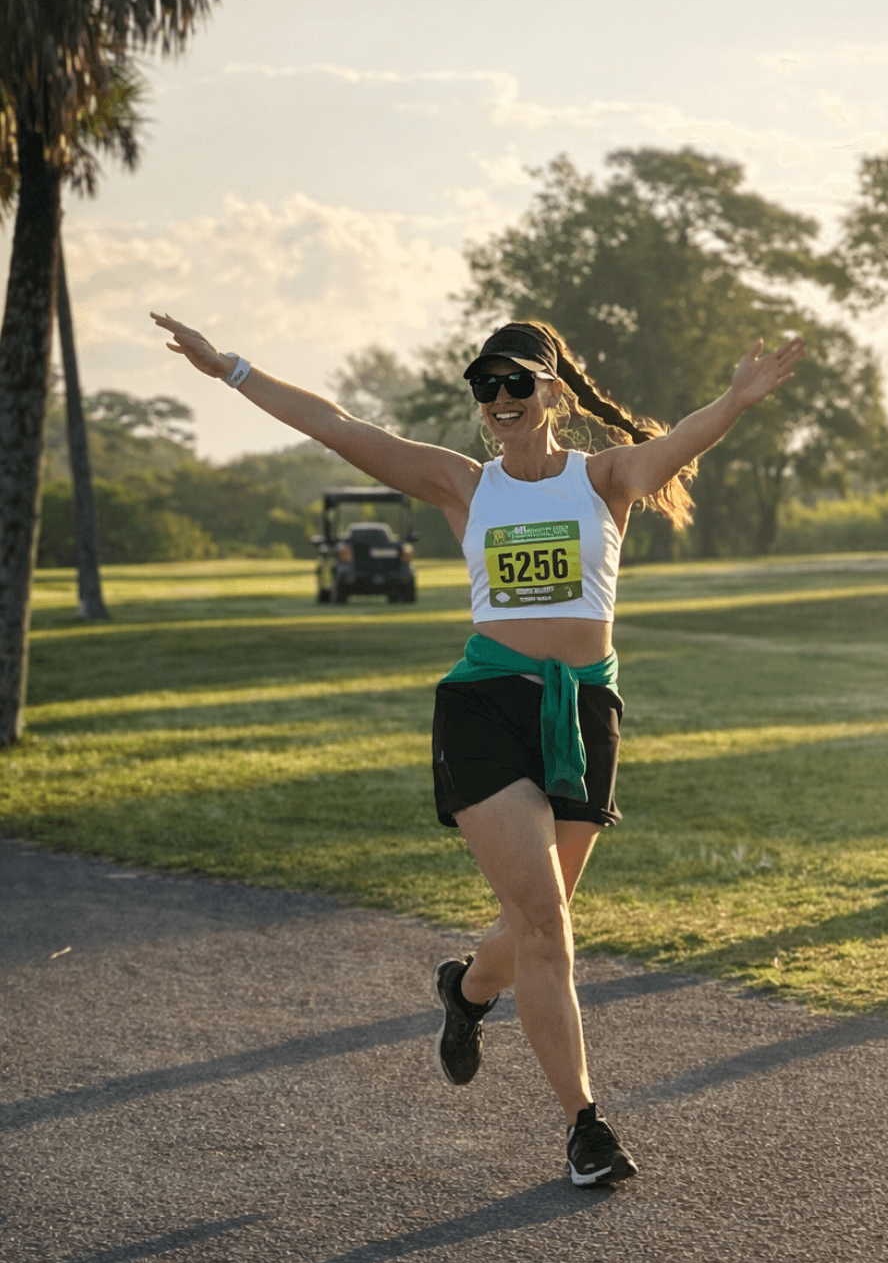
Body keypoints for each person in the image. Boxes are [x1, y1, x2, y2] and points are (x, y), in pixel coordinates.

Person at [151, 310, 805, 1187]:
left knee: (536, 920)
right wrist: (228, 368)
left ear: (554, 395)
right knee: (544, 921)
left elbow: (680, 442)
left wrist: (734, 398)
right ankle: (585, 1127)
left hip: (582, 714)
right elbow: (338, 424)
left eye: (515, 383)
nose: (498, 399)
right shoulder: (465, 486)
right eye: (484, 385)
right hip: (486, 711)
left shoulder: (605, 478)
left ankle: (465, 992)